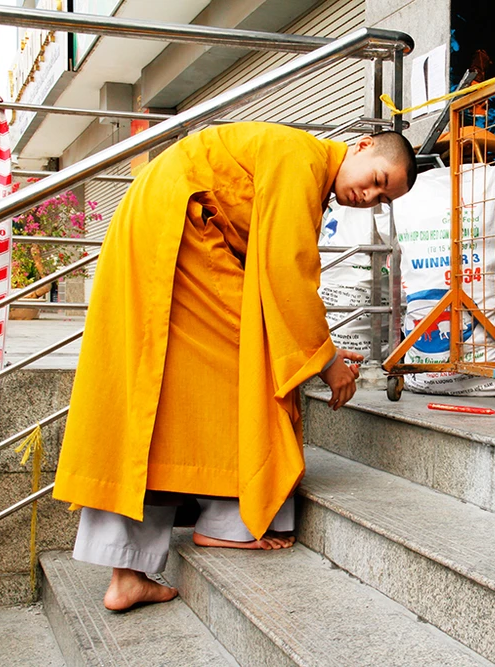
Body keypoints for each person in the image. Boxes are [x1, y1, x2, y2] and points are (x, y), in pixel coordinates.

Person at [52, 121, 417, 611]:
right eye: (376, 179)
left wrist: (318, 348)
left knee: (165, 389)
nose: (368, 195)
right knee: (248, 364)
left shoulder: (302, 165)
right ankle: (229, 523)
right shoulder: (303, 159)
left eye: (381, 198)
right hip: (179, 228)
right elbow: (286, 275)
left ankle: (132, 571)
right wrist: (326, 361)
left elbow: (271, 272)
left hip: (166, 224)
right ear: (363, 145)